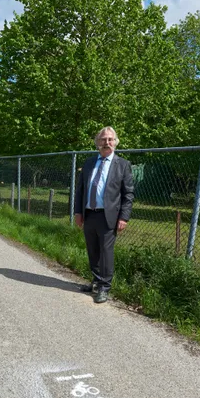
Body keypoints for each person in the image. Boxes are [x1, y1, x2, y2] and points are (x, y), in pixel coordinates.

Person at [73, 126, 134, 304]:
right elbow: (81, 190)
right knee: (93, 250)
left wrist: (124, 217)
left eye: (110, 139)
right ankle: (96, 281)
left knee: (106, 252)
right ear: (97, 143)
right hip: (89, 214)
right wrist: (78, 211)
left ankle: (104, 287)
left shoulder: (122, 165)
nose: (106, 143)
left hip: (109, 216)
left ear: (115, 143)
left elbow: (128, 194)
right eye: (103, 140)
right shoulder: (89, 163)